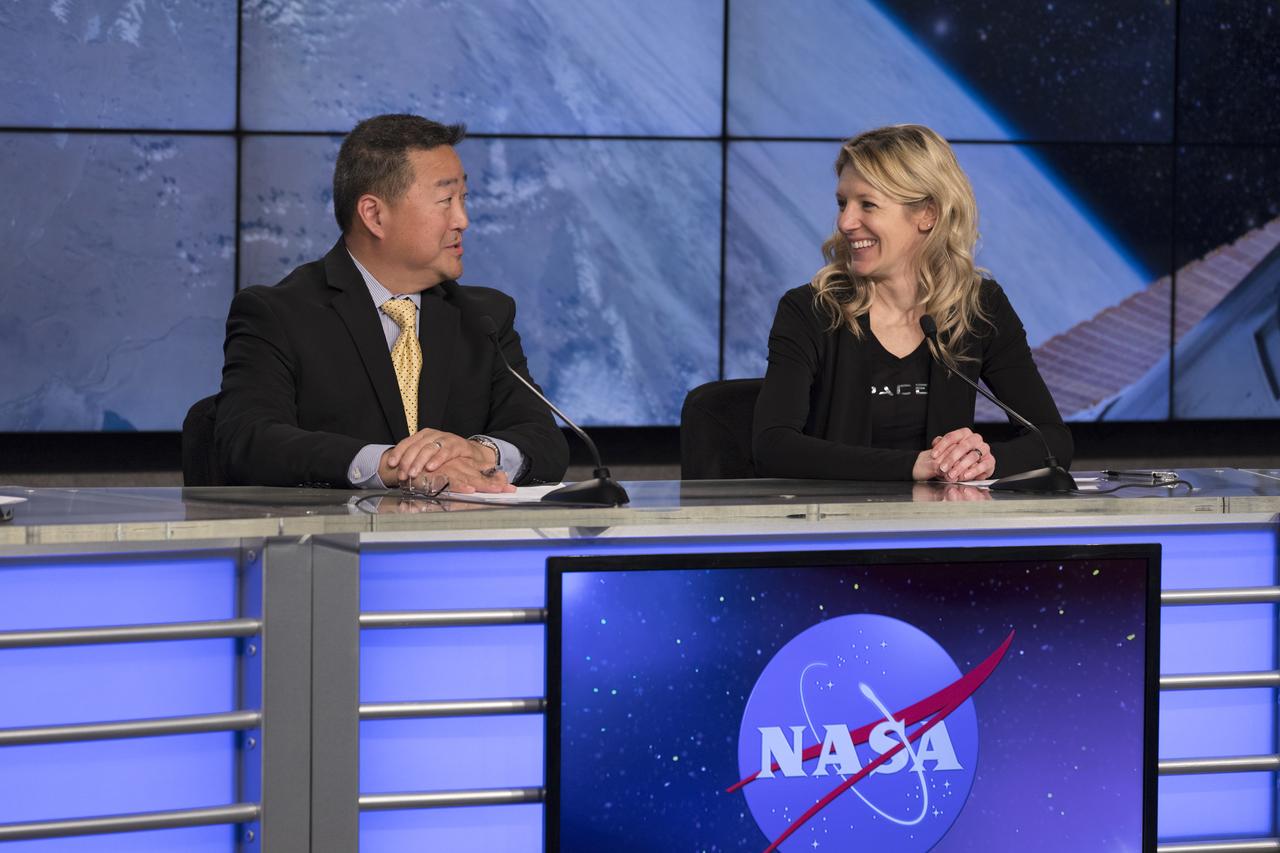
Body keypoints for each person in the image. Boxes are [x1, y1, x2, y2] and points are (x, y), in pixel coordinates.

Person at [215, 114, 569, 491]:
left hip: (461, 543)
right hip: (335, 545)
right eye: (446, 201)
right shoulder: (278, 314)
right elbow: (248, 441)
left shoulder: (484, 317)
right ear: (374, 215)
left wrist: (478, 453)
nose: (463, 220)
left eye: (464, 200)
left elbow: (545, 442)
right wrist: (397, 466)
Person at [752, 124, 1071, 483]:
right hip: (837, 531)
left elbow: (1054, 440)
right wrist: (914, 467)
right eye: (842, 203)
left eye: (867, 204)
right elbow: (773, 446)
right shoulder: (810, 310)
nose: (845, 222)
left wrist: (985, 460)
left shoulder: (979, 307)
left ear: (927, 215)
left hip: (942, 531)